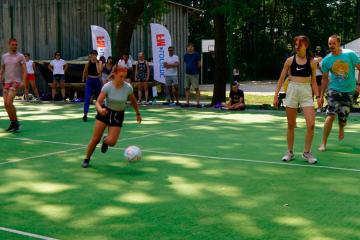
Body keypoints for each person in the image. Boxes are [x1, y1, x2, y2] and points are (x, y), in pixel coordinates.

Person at [273, 35, 321, 164]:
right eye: (295, 44)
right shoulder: (289, 61)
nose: (297, 46)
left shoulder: (312, 62)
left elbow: (314, 82)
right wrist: (276, 96)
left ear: (306, 46)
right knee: (291, 124)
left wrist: (318, 96)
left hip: (306, 92)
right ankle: (289, 152)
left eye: (300, 44)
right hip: (292, 90)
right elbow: (281, 79)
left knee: (311, 124)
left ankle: (307, 153)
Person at [82, 66, 142, 168]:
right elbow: (98, 102)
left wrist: (138, 113)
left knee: (112, 142)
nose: (123, 79)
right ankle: (86, 159)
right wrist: (100, 110)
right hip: (105, 112)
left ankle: (105, 140)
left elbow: (133, 101)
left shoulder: (128, 88)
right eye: (121, 76)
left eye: (125, 77)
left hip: (118, 115)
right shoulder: (107, 86)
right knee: (95, 139)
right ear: (114, 75)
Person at [318, 34, 360, 152]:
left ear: (339, 44)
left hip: (349, 91)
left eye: (333, 43)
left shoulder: (350, 54)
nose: (331, 46)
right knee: (330, 116)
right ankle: (323, 143)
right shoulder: (327, 60)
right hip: (334, 91)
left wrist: (358, 85)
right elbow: (324, 79)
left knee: (343, 119)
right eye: (329, 44)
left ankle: (341, 127)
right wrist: (321, 96)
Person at [0, 38, 26, 132]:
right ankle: (13, 123)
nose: (15, 46)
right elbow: (2, 69)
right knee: (6, 105)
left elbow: (24, 70)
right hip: (6, 83)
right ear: (9, 45)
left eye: (16, 44)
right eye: (13, 44)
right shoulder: (4, 56)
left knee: (9, 103)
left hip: (15, 83)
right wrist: (0, 77)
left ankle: (16, 123)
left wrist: (23, 81)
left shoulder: (20, 56)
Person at [82, 50, 103, 122]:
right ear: (90, 55)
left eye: (95, 55)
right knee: (87, 97)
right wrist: (84, 79)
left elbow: (99, 71)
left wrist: (96, 62)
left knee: (98, 98)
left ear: (97, 55)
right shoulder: (88, 62)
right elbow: (85, 71)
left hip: (97, 80)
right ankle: (85, 114)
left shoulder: (99, 62)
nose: (94, 56)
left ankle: (99, 113)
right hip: (89, 80)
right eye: (92, 54)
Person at [183, 43, 201, 107]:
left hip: (194, 74)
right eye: (189, 47)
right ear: (187, 48)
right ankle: (187, 103)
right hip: (187, 74)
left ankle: (198, 103)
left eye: (191, 47)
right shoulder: (185, 55)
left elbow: (199, 64)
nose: (190, 48)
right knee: (187, 88)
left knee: (196, 88)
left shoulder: (196, 54)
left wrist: (196, 68)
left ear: (193, 48)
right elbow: (186, 62)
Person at [314, 46, 323, 112]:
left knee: (319, 93)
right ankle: (310, 107)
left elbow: (324, 71)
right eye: (316, 54)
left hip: (320, 76)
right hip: (313, 77)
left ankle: (319, 107)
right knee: (311, 93)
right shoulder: (312, 60)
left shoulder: (323, 60)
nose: (317, 55)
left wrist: (319, 66)